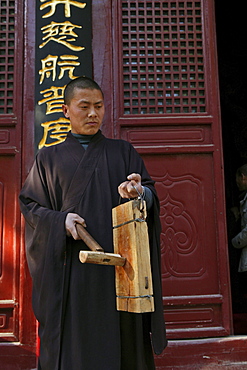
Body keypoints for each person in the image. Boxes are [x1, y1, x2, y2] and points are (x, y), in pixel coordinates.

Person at [19, 76, 167, 370]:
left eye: (98, 106)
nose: (92, 114)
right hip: (73, 272)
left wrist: (140, 193)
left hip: (121, 272)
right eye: (84, 106)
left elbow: (150, 194)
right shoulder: (48, 158)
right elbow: (31, 206)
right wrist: (61, 221)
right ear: (66, 109)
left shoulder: (123, 152)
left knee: (123, 345)